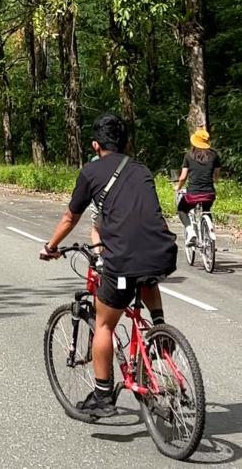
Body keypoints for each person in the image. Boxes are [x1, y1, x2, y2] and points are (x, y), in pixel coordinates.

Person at [40, 113, 177, 417]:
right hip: (163, 252)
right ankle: (160, 329)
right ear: (126, 143)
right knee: (146, 275)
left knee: (104, 323)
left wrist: (51, 247)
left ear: (95, 144)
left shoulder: (91, 172)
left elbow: (69, 218)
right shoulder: (141, 169)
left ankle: (103, 396)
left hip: (124, 260)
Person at [174, 128, 221, 246]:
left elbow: (183, 177)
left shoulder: (189, 156)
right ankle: (209, 234)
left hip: (192, 194)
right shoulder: (214, 156)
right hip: (209, 194)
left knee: (182, 210)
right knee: (206, 209)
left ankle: (190, 232)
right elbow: (216, 177)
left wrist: (178, 187)